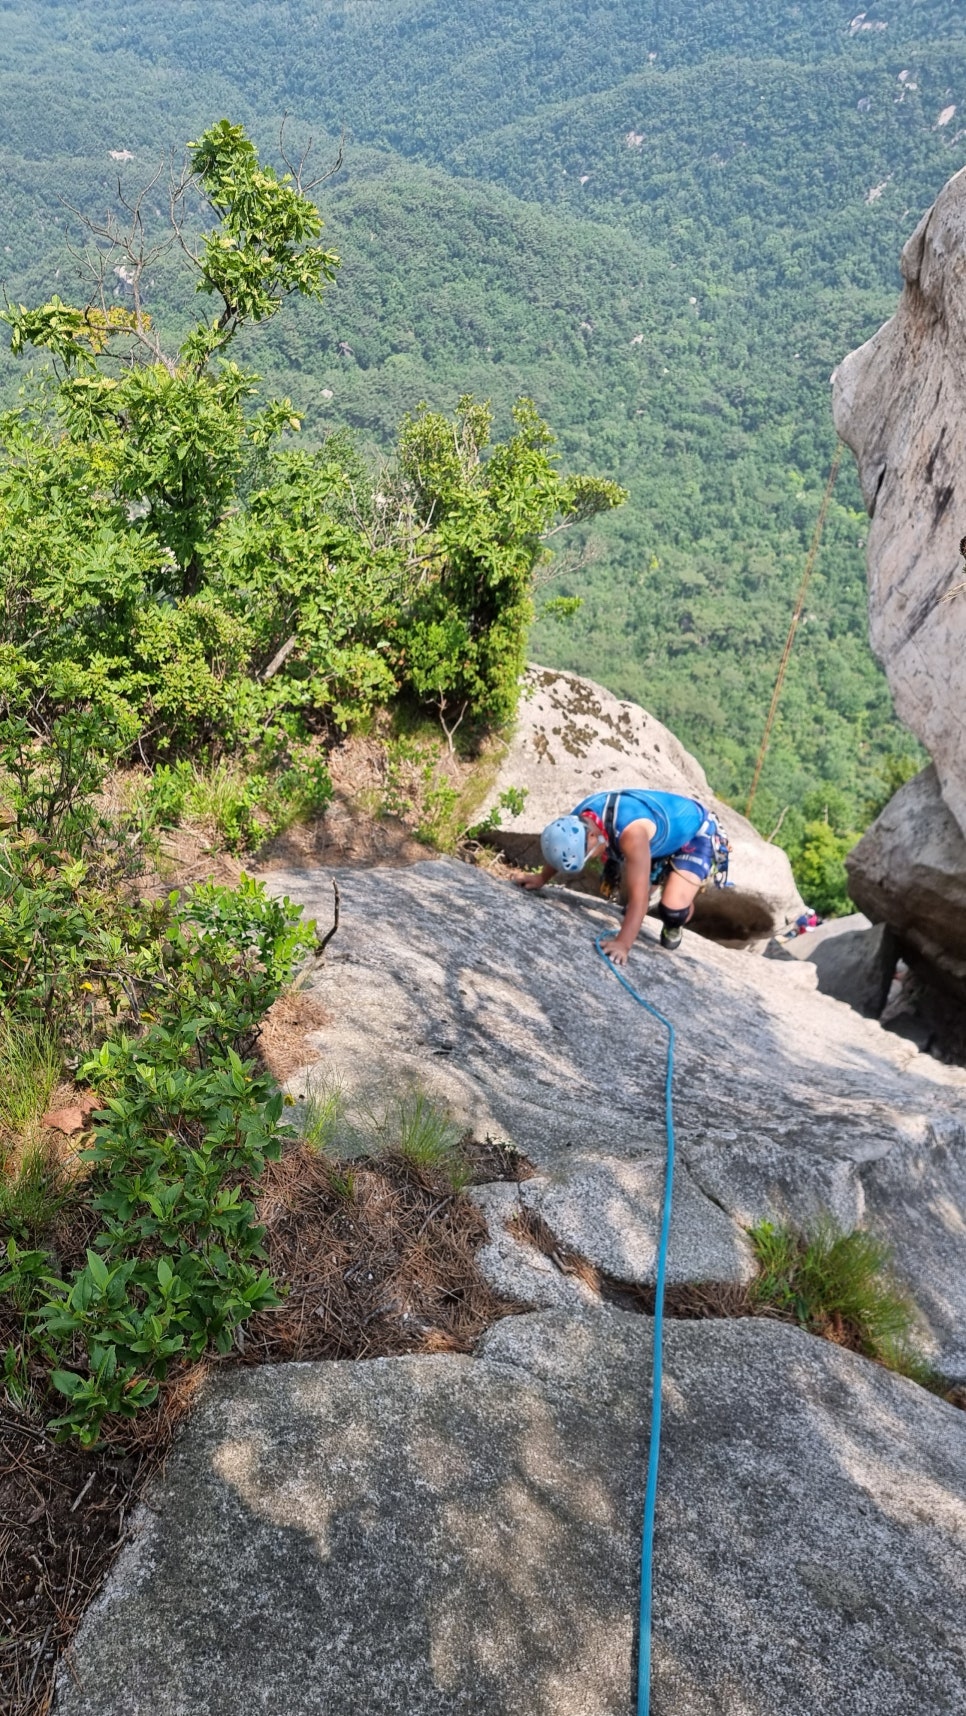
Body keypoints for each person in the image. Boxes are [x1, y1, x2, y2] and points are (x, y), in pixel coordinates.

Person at [516, 788, 728, 964]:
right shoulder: (579, 819)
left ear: (591, 836)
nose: (590, 859)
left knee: (670, 908)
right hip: (657, 839)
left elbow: (639, 901)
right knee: (632, 897)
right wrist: (541, 878)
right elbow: (564, 846)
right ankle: (661, 877)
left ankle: (677, 916)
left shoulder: (632, 835)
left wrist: (623, 943)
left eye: (587, 855)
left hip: (695, 833)